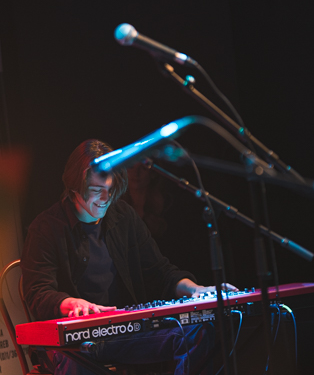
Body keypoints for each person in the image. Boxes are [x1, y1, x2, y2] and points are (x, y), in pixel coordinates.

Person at [20, 139, 237, 375]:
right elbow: (38, 293)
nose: (106, 197)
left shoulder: (123, 216)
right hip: (72, 341)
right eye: (97, 191)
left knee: (199, 332)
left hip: (122, 332)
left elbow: (160, 272)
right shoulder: (45, 228)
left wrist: (196, 290)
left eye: (110, 189)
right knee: (78, 363)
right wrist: (73, 303)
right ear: (75, 186)